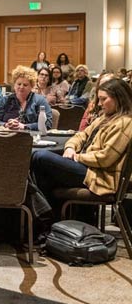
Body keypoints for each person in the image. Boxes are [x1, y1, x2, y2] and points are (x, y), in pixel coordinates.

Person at [30, 79, 132, 212]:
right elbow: (80, 135)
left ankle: (44, 218)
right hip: (87, 168)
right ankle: (48, 220)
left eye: (103, 99)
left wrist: (77, 157)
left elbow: (105, 158)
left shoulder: (125, 123)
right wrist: (70, 148)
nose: (100, 104)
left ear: (119, 98)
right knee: (43, 173)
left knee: (40, 156)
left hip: (99, 176)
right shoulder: (105, 117)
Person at [0, 66, 54, 130]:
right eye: (19, 84)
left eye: (25, 85)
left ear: (31, 86)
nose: (21, 87)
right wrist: (6, 124)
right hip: (7, 136)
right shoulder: (5, 100)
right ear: (14, 85)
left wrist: (24, 126)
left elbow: (47, 124)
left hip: (31, 137)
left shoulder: (40, 100)